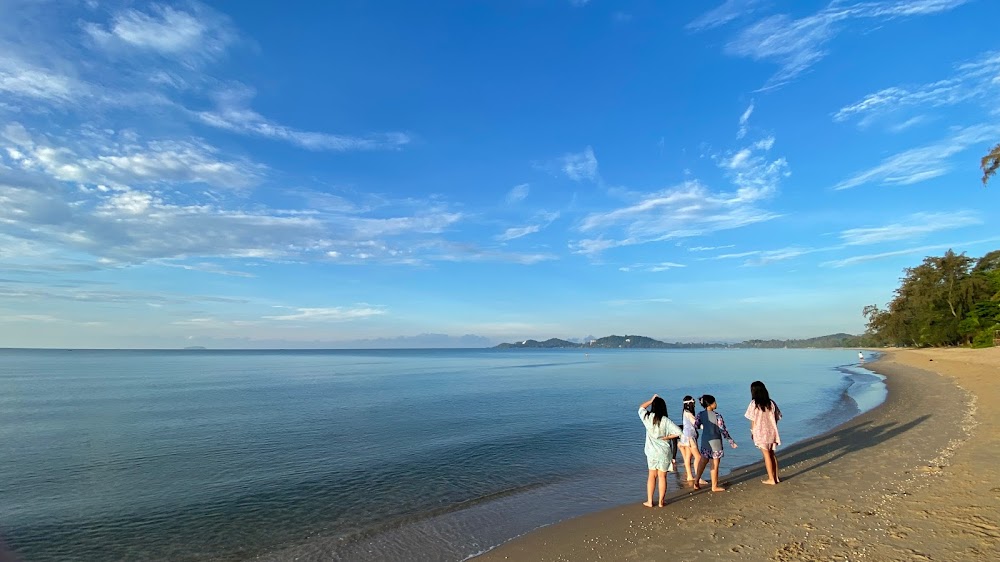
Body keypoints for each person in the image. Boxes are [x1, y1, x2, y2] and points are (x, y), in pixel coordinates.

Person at [639, 394, 682, 507]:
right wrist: (667, 437)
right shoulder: (665, 420)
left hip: (651, 452)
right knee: (662, 477)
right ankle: (661, 502)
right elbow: (679, 432)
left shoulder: (648, 418)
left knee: (652, 476)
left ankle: (649, 501)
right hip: (664, 452)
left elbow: (641, 408)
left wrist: (650, 400)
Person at [693, 394, 737, 492]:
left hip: (705, 441)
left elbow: (696, 425)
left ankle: (696, 481)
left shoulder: (700, 414)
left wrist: (705, 426)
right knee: (715, 464)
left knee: (703, 461)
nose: (716, 404)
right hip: (716, 441)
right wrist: (731, 441)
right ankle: (714, 486)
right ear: (711, 404)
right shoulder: (717, 416)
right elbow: (723, 430)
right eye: (714, 402)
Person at [745, 380, 783, 485]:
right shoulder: (771, 403)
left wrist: (752, 432)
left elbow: (752, 419)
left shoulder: (754, 404)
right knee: (772, 454)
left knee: (766, 455)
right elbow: (777, 417)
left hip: (760, 432)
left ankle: (771, 479)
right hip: (772, 432)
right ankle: (776, 477)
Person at [678, 395, 704, 483]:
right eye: (693, 403)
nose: (694, 405)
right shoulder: (688, 413)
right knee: (698, 457)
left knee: (688, 457)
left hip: (685, 437)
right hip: (690, 438)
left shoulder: (685, 412)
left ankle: (689, 476)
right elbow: (695, 423)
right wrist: (706, 426)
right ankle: (698, 477)